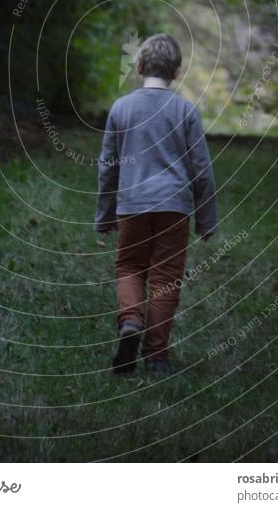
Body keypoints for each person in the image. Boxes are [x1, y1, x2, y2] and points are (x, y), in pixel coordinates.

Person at [95, 33, 217, 375]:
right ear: (176, 72)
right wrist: (207, 220)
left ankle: (131, 321)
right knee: (165, 277)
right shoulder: (185, 110)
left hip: (132, 205)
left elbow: (108, 167)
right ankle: (157, 357)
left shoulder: (121, 109)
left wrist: (104, 215)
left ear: (139, 67)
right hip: (175, 208)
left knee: (130, 267)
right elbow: (202, 170)